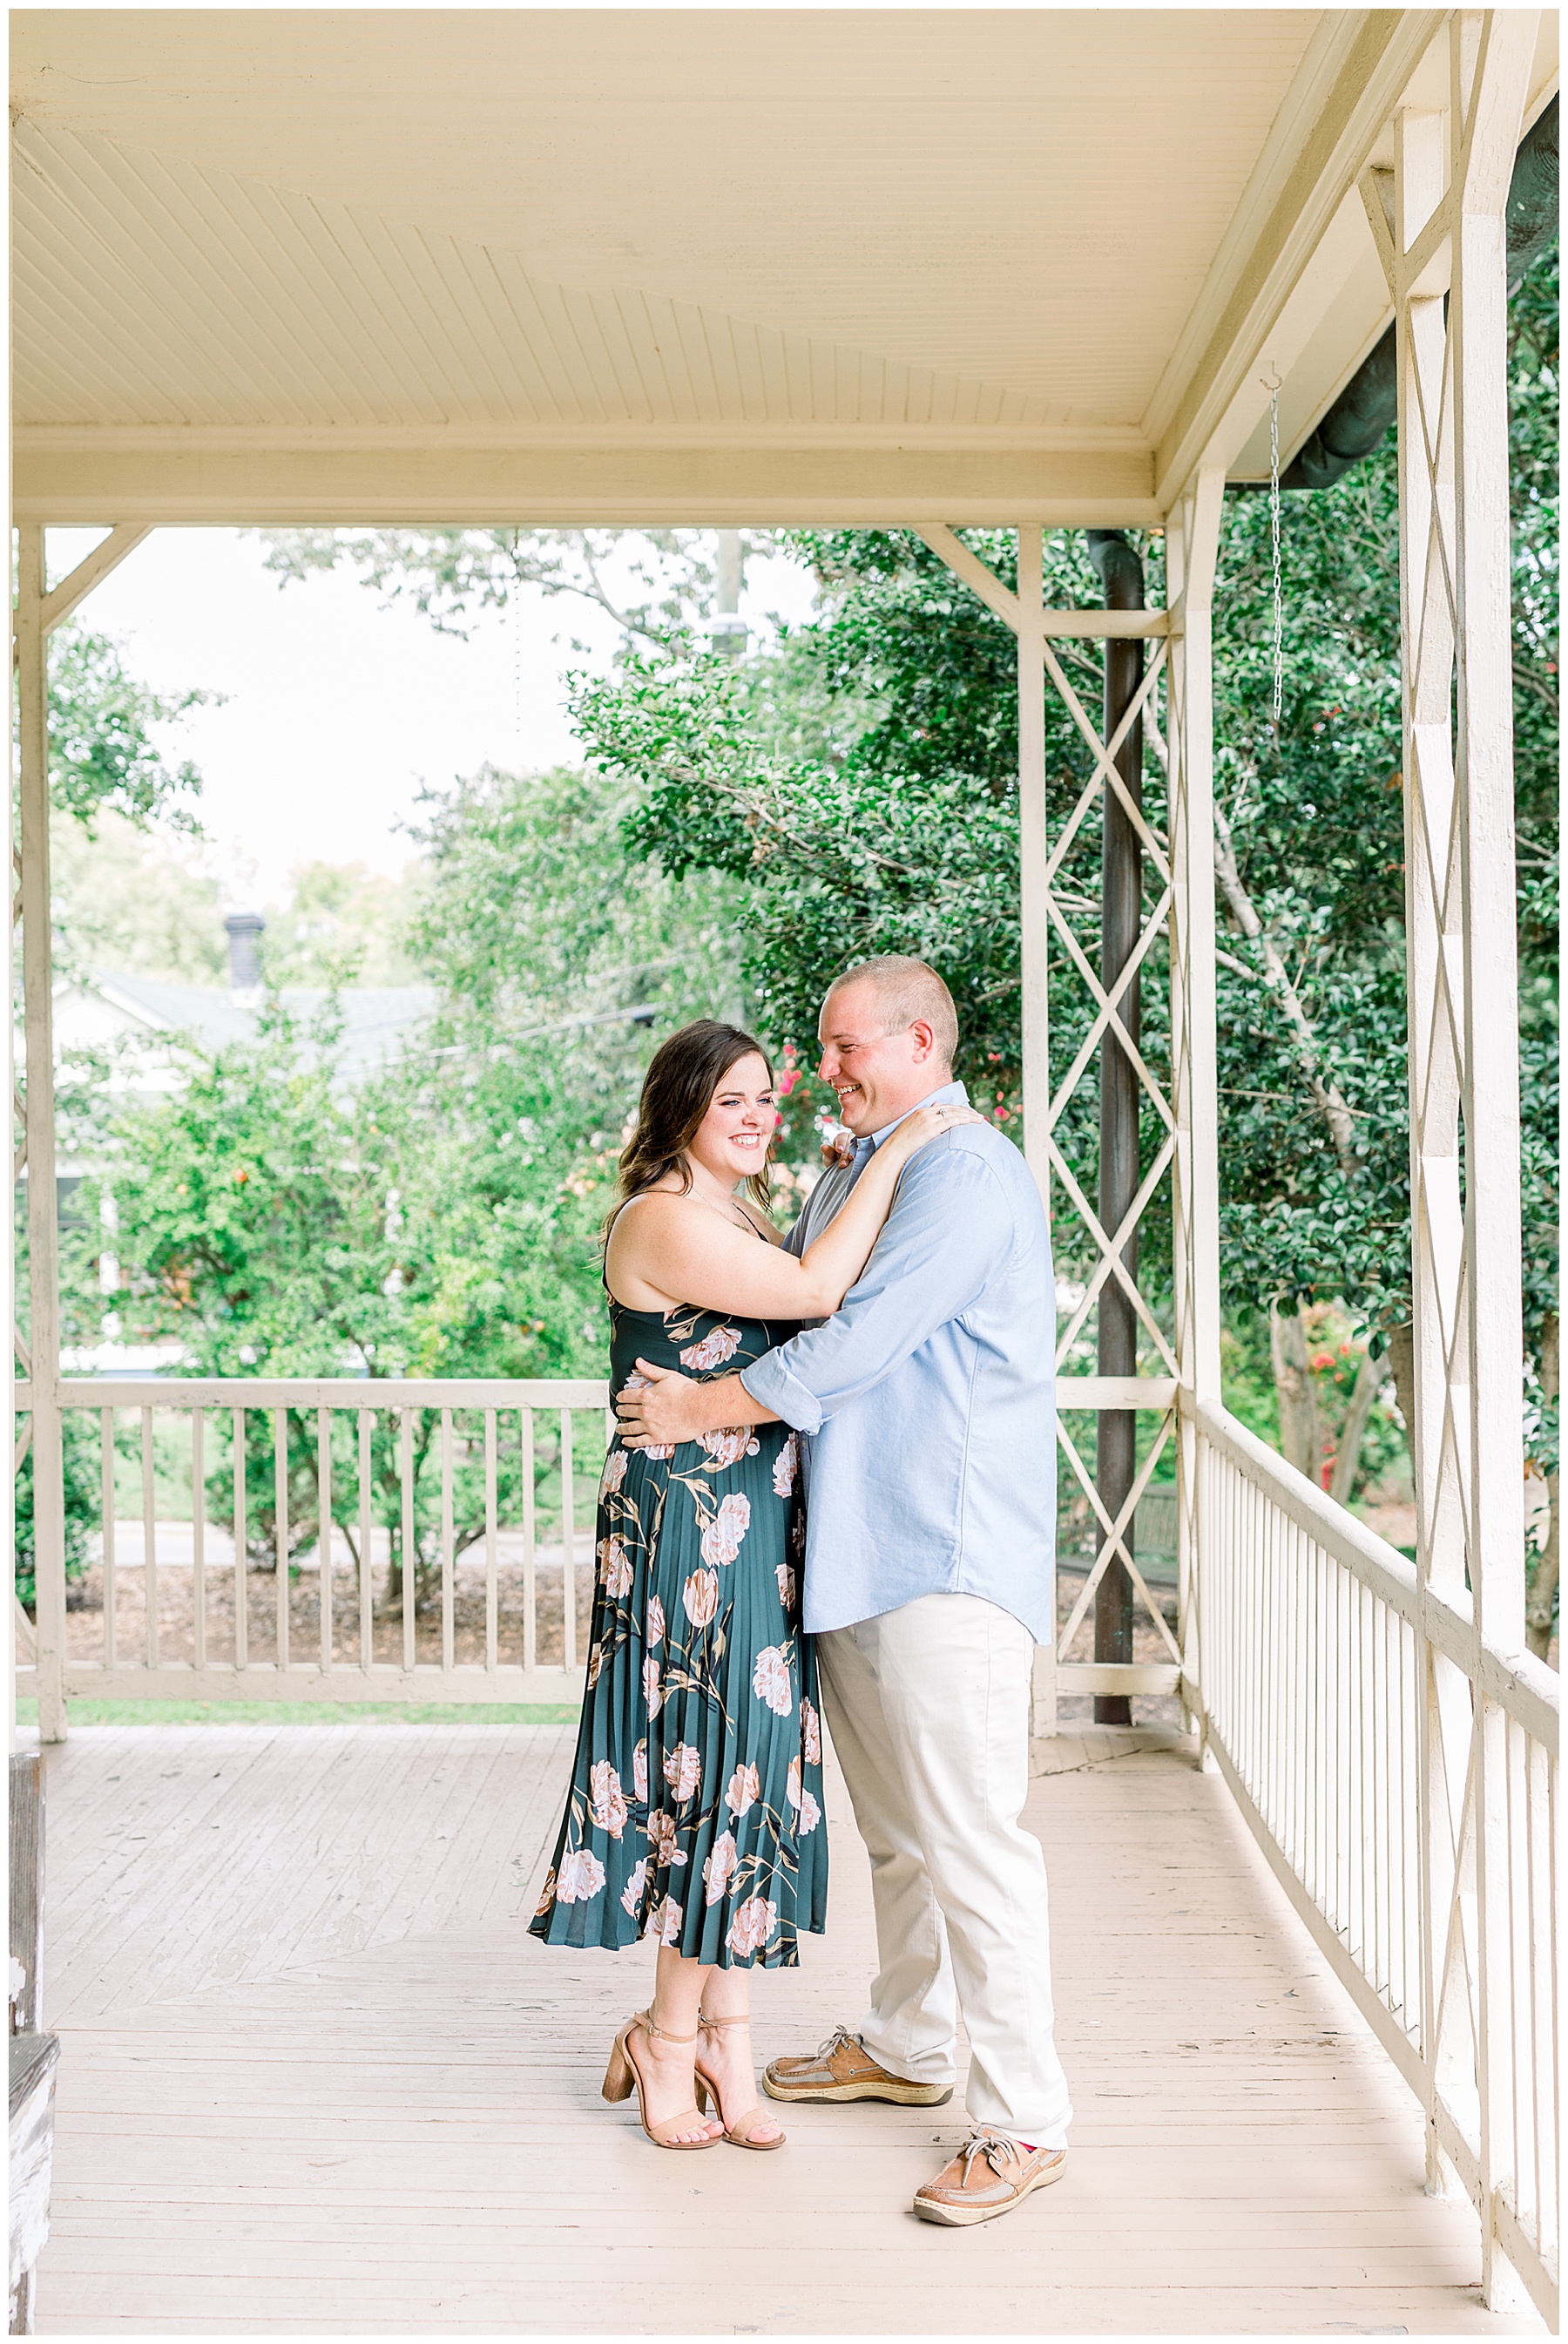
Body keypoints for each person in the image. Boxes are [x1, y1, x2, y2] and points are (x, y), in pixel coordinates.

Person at [616, 956, 1071, 2225]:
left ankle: (1025, 2117)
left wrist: (694, 1407)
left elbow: (849, 1333)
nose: (827, 1072)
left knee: (974, 1839)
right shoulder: (883, 1158)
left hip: (943, 1553)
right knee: (900, 1835)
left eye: (843, 1047)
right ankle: (913, 2041)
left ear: (919, 1039)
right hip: (857, 1552)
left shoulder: (967, 1171)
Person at [530, 1016, 978, 2155]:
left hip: (750, 1523)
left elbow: (818, 1274)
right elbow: (819, 1292)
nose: (759, 1115)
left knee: (744, 1773)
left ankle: (724, 2032)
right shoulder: (664, 1217)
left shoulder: (735, 1209)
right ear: (680, 1105)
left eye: (766, 1098)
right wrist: (905, 1137)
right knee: (703, 1770)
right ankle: (671, 2043)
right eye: (732, 1099)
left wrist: (849, 1171)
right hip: (685, 1529)